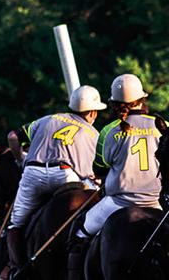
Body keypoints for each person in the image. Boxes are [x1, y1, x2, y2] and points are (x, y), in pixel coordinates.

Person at [67, 74, 162, 280]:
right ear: (142, 99)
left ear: (114, 104)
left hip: (118, 203)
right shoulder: (162, 125)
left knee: (79, 234)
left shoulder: (108, 131)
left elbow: (99, 170)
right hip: (157, 203)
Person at [4, 85, 107, 275]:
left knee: (15, 223)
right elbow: (96, 172)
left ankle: (17, 269)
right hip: (65, 175)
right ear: (93, 112)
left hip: (32, 173)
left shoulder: (47, 119)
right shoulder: (94, 135)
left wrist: (20, 159)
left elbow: (12, 137)